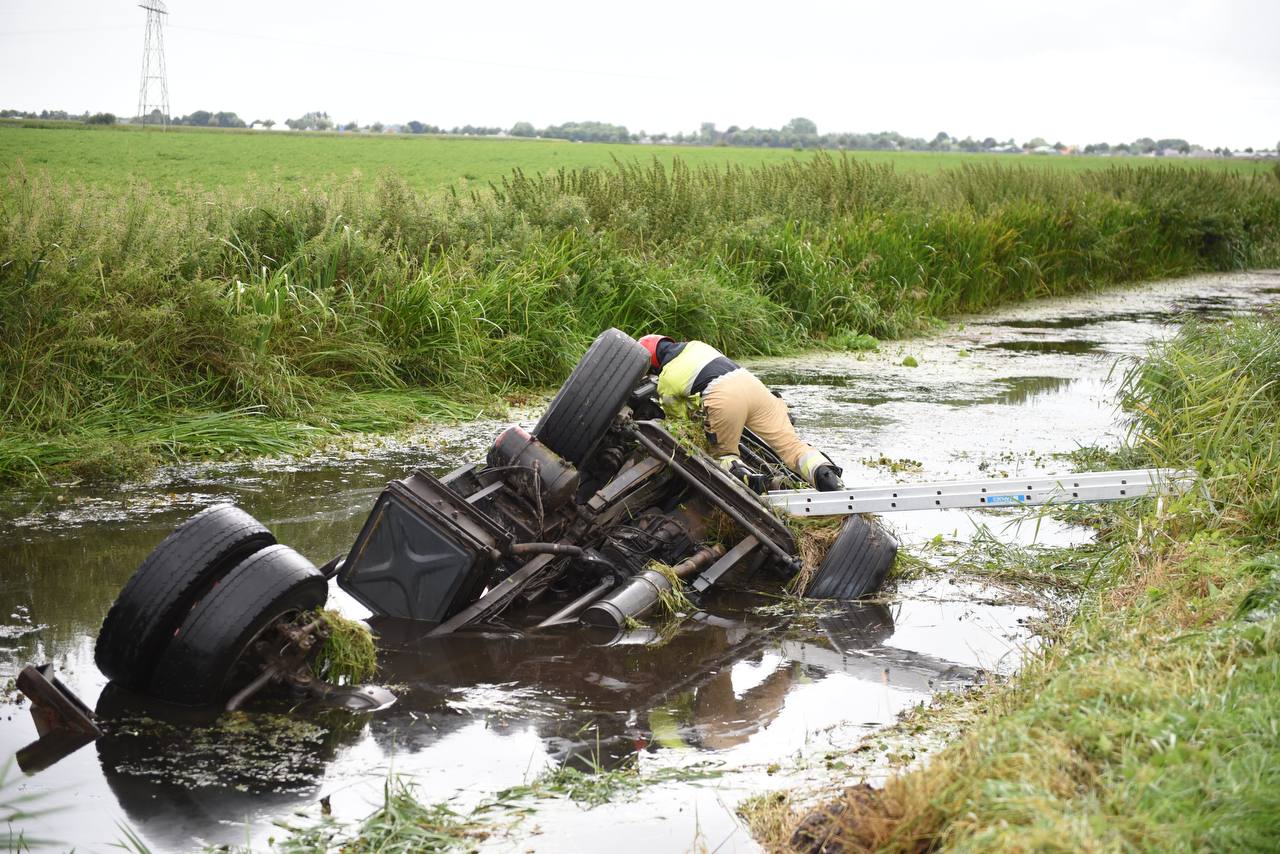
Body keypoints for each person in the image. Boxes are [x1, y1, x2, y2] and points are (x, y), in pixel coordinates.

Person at [637, 334, 845, 492]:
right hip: (756, 389)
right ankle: (827, 475)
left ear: (653, 366)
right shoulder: (696, 345)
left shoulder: (667, 378)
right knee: (793, 448)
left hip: (724, 397)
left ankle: (752, 483)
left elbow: (679, 424)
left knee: (724, 456)